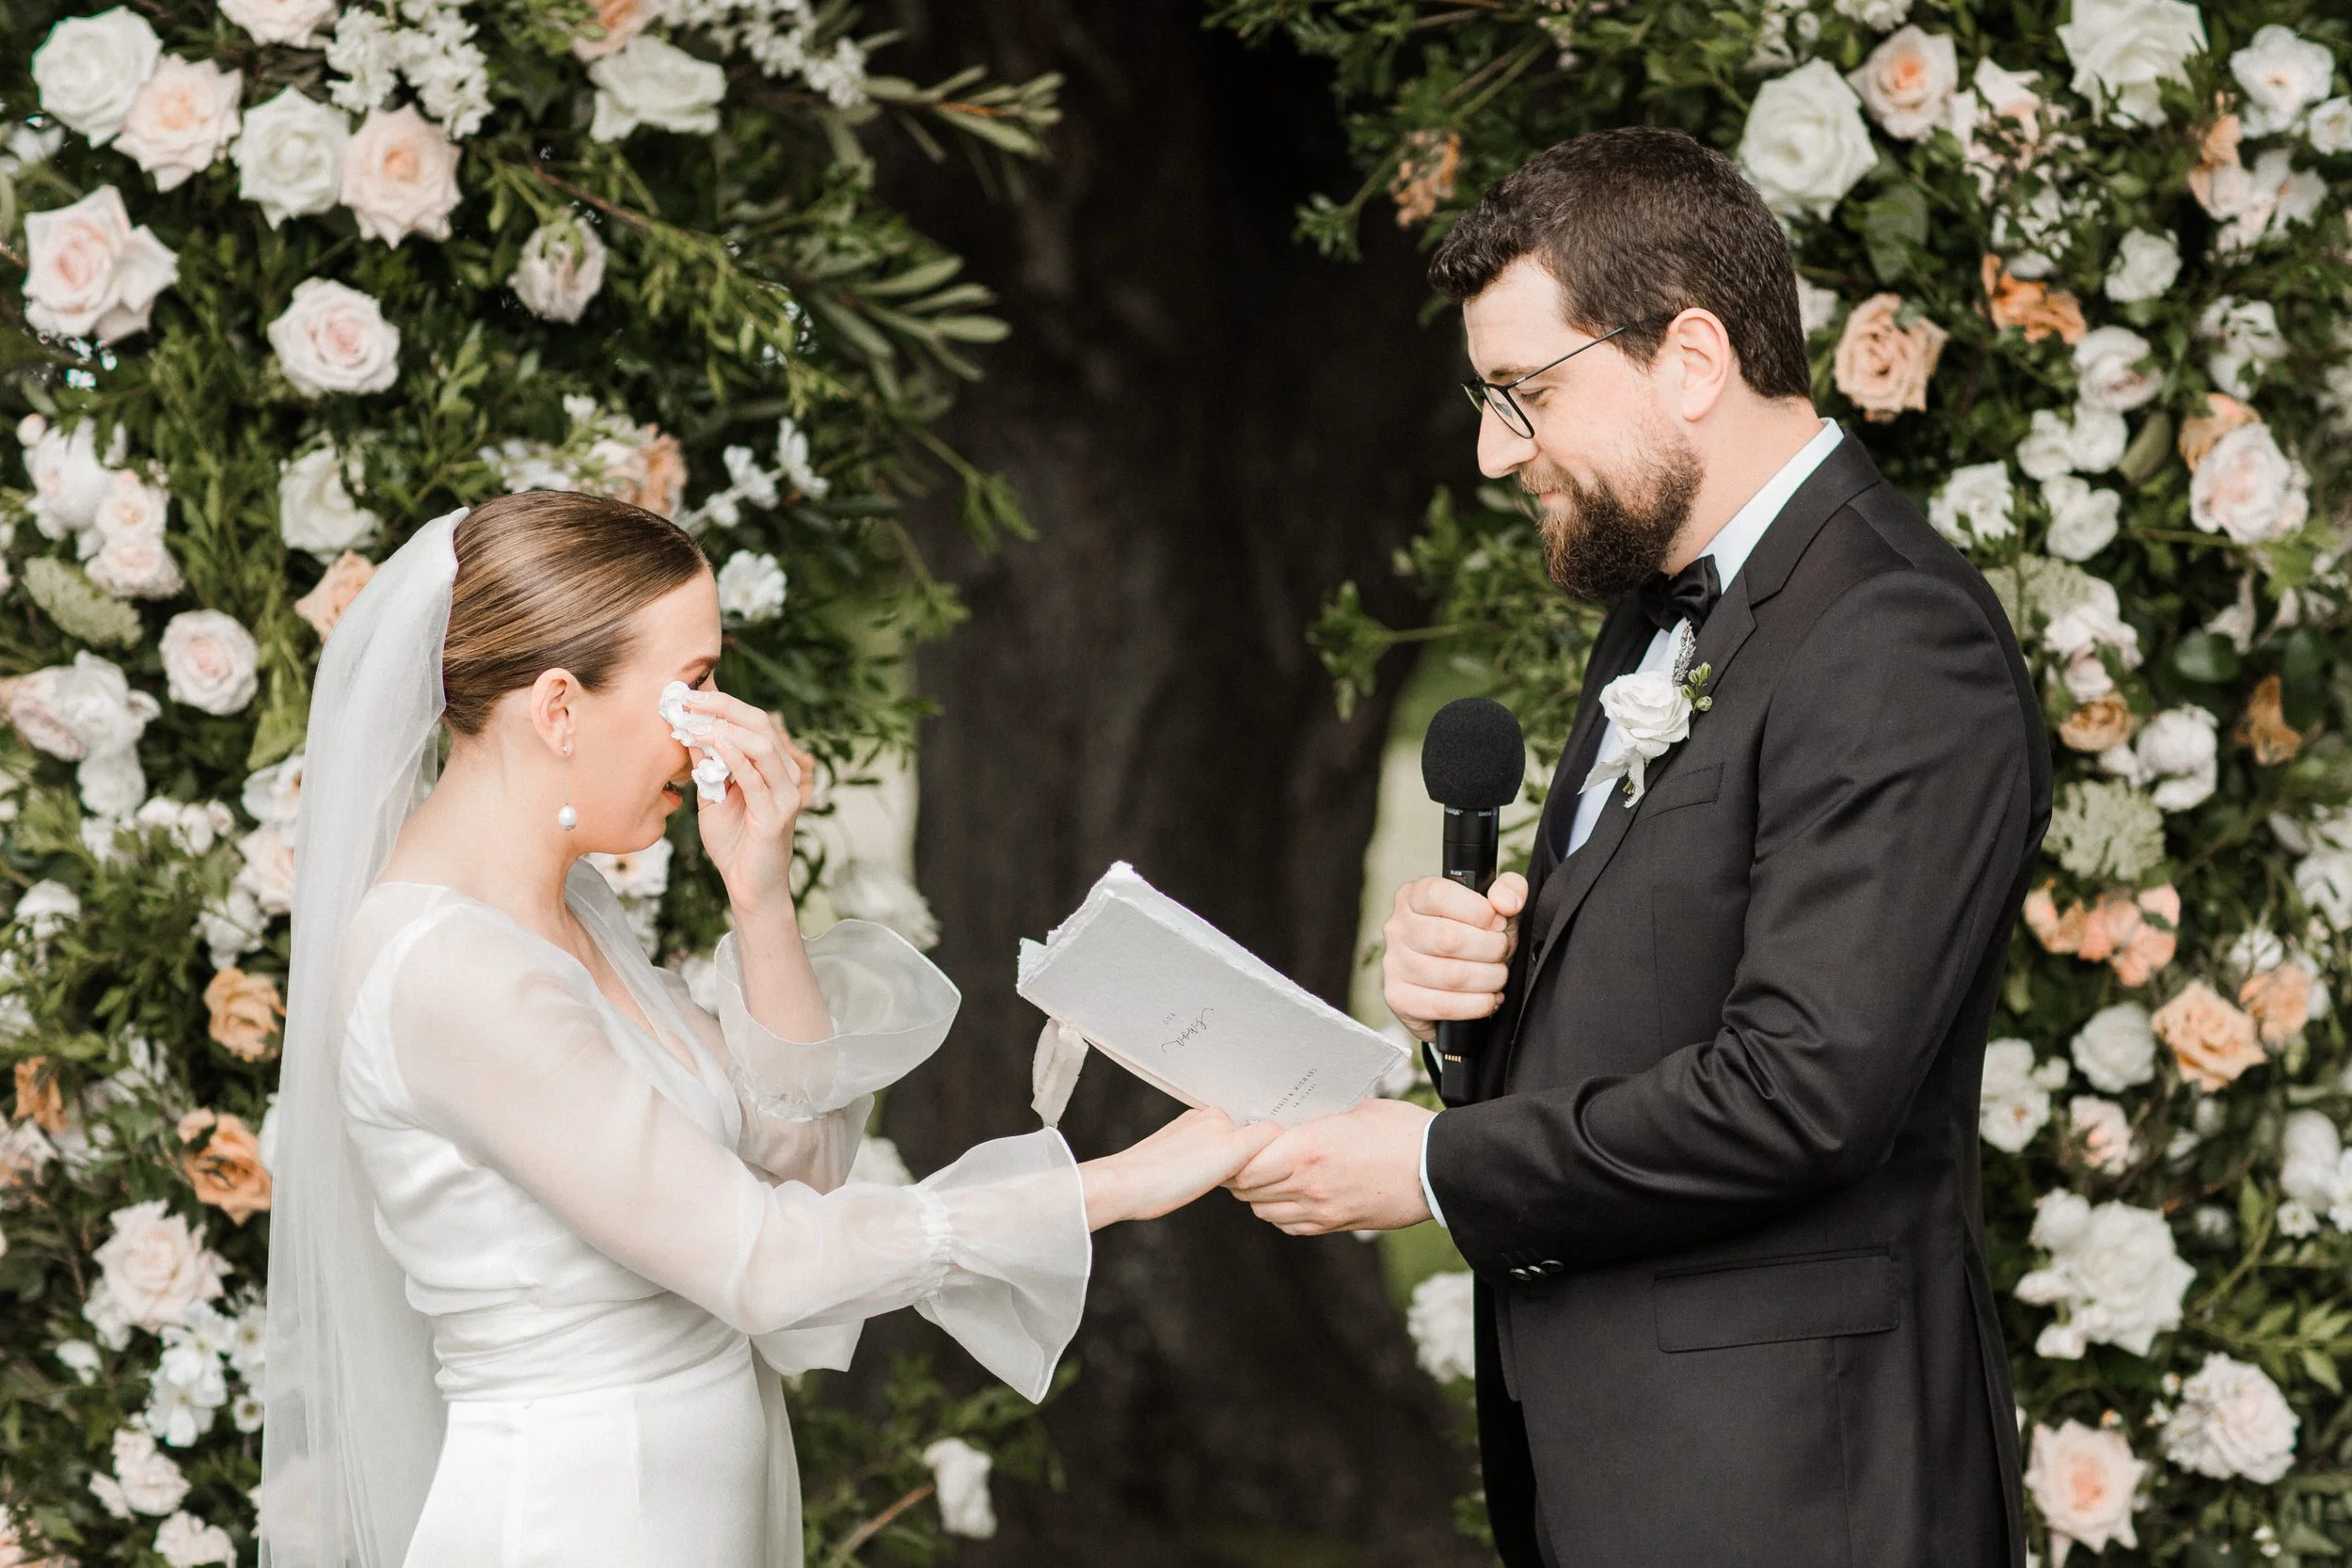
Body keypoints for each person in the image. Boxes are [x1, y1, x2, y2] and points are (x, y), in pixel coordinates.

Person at [1229, 127, 2049, 1567]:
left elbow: (1803, 1090)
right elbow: (1653, 1000)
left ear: (1688, 357)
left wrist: (1437, 1165)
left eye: (1523, 394)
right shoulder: (1668, 613)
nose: (1495, 453)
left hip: (1799, 1492)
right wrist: (1473, 997)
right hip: (1633, 1469)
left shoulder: (1896, 636)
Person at [258, 492, 1276, 1568]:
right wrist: (1117, 1183)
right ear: (559, 707)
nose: (717, 729)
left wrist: (762, 898)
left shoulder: (565, 909)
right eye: (692, 687)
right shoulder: (452, 970)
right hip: (578, 1517)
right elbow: (764, 1260)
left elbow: (801, 1170)